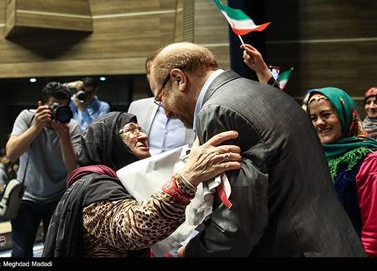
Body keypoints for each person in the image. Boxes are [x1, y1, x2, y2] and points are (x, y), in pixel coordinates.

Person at [150, 41, 365, 257]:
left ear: (179, 79)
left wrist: (191, 252)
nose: (166, 112)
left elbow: (237, 226)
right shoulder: (264, 91)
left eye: (160, 99)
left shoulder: (217, 111)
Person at [42, 111, 241, 257]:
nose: (143, 135)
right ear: (108, 142)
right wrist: (188, 178)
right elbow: (135, 229)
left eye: (141, 129)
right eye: (130, 130)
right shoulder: (96, 184)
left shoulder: (115, 181)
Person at [6, 81, 82, 257]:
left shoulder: (72, 127)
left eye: (64, 107)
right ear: (41, 105)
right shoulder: (27, 117)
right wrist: (36, 127)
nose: (59, 111)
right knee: (21, 253)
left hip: (58, 199)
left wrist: (64, 138)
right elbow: (11, 153)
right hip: (26, 198)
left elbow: (73, 169)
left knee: (54, 252)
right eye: (54, 106)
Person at [307, 87, 377, 257]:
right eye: (313, 118)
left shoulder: (369, 161)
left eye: (326, 115)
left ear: (345, 115)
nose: (319, 123)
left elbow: (373, 232)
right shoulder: (316, 155)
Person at [128, 50, 195, 155]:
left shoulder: (195, 107)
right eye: (152, 73)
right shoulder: (136, 107)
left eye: (161, 73)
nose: (157, 78)